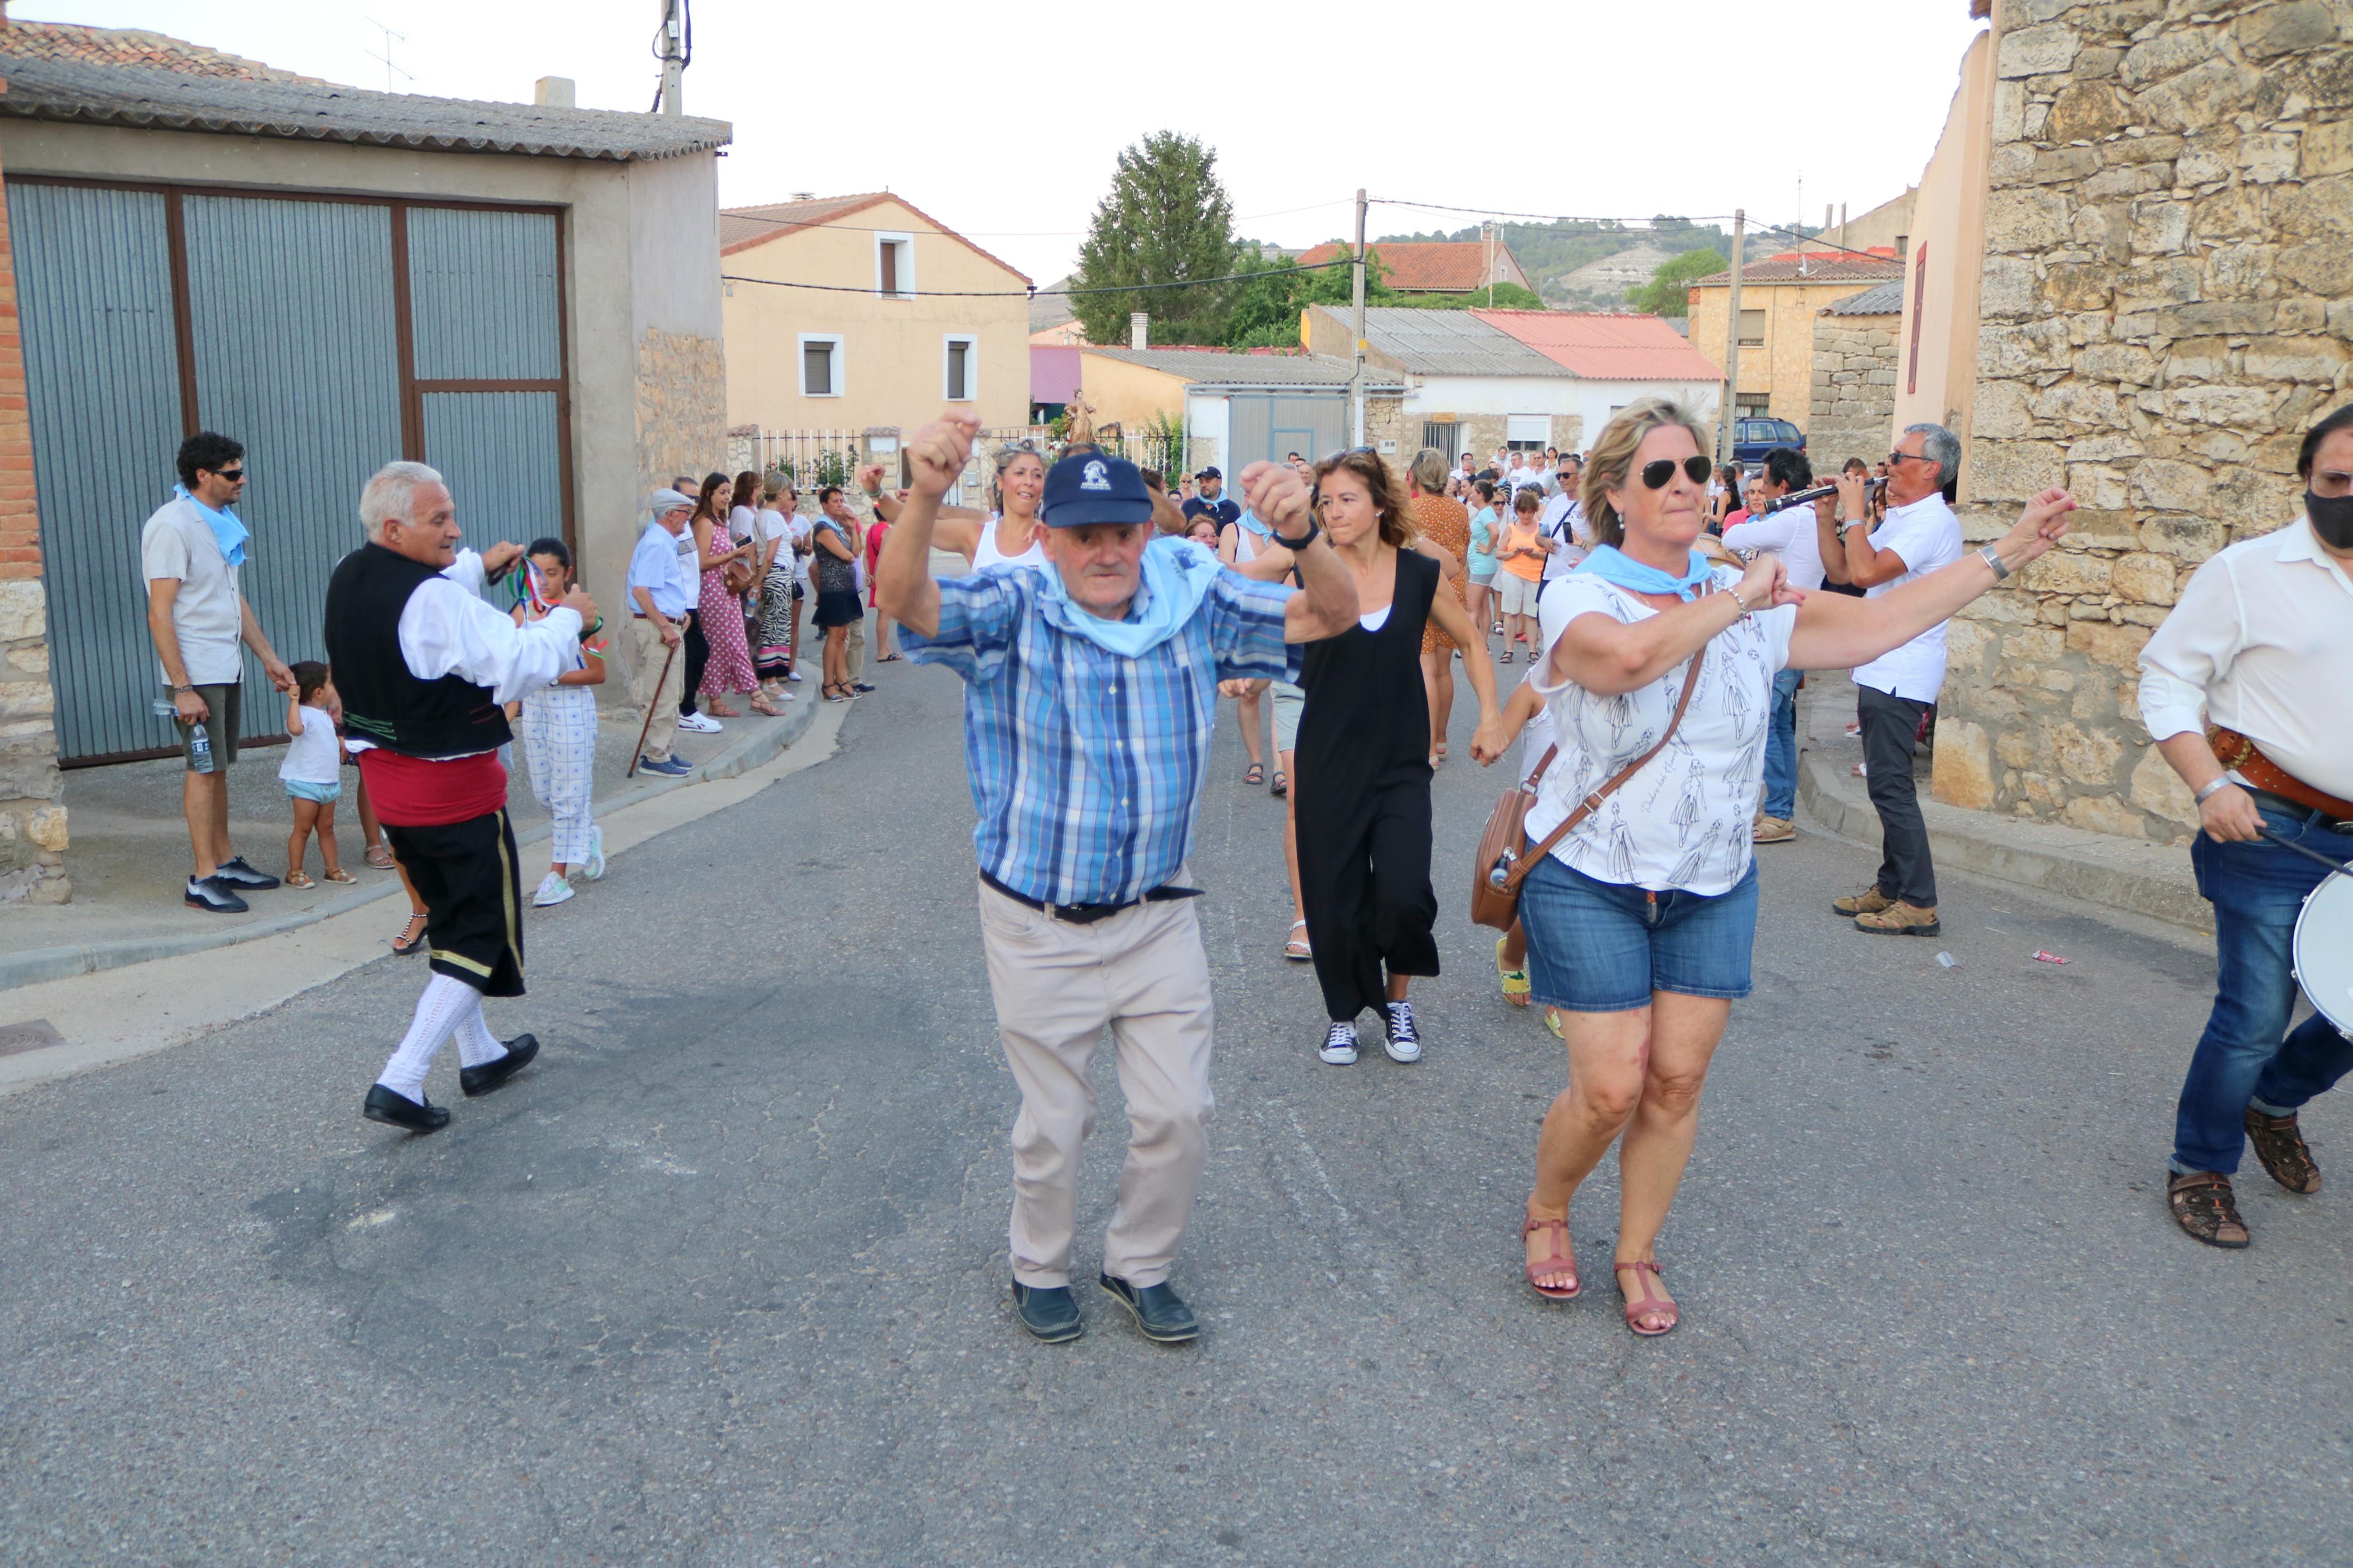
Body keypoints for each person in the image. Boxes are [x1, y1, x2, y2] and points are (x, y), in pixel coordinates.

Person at [1505, 397, 2072, 1334]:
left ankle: (1635, 1249)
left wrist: (2004, 551)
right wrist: (1733, 595)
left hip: (1712, 879)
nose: (1684, 484)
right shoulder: (1580, 590)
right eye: (1659, 473)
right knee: (1609, 1085)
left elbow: (1872, 625)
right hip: (1593, 872)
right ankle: (1548, 1206)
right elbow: (1625, 661)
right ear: (1614, 493)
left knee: (1676, 1079)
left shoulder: (1742, 592)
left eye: (1694, 468)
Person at [881, 412, 1357, 1346]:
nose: (1104, 550)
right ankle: (1038, 1265)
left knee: (1180, 1110)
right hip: (1036, 918)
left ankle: (1138, 1263)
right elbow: (910, 605)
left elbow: (1330, 614)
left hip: (1155, 914)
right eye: (1082, 533)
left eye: (1120, 529)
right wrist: (926, 492)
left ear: (1148, 529)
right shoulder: (1015, 604)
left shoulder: (1194, 601)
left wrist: (1305, 535)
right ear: (1049, 537)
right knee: (1055, 1119)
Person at [2138, 403, 2353, 1249]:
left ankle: (2273, 1102)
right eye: (2335, 480)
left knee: (2348, 1010)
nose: (2347, 495)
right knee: (2256, 1010)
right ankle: (2199, 1164)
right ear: (2305, 480)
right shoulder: (2245, 570)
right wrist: (2206, 783)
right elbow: (2164, 680)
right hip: (2260, 825)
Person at [327, 461, 595, 1135]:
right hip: (453, 793)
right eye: (438, 520)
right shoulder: (431, 600)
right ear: (395, 528)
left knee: (450, 923)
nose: (455, 529)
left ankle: (481, 1055)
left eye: (451, 514)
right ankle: (402, 1077)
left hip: (393, 794)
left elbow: (427, 602)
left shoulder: (351, 573)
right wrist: (567, 620)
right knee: (479, 934)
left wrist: (481, 563)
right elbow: (514, 660)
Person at [1293, 449, 1505, 1066]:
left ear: (1380, 504)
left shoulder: (1416, 574)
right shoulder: (1308, 570)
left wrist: (1490, 713)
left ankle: (1398, 1001)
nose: (1333, 510)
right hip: (1328, 759)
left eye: (1346, 499)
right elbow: (1246, 603)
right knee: (1334, 895)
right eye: (1325, 500)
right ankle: (1341, 1012)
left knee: (1404, 891)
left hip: (1400, 761)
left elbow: (1469, 638)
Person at [1818, 424, 1967, 936]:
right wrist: (1827, 516)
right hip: (1881, 663)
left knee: (1891, 787)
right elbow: (1842, 571)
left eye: (1897, 458)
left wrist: (1856, 511)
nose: (1887, 466)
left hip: (1902, 671)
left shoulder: (1931, 523)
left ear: (1930, 469)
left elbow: (1865, 574)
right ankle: (1891, 884)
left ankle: (1920, 901)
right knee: (1885, 784)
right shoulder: (1905, 518)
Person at [142, 431, 297, 913]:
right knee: (203, 771)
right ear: (203, 476)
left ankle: (225, 860)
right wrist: (182, 688)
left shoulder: (220, 522)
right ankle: (203, 877)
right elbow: (159, 613)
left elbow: (232, 600)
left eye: (240, 470)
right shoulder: (172, 526)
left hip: (225, 666)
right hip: (196, 673)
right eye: (232, 473)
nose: (242, 480)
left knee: (220, 768)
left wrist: (268, 657)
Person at [1722, 446, 1830, 845]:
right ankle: (1780, 807)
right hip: (1793, 630)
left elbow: (1731, 535)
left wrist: (1762, 513)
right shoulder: (1806, 518)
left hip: (1784, 630)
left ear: (1782, 486)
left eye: (1764, 484)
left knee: (1764, 718)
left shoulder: (1789, 520)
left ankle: (1780, 812)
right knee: (1779, 722)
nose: (1759, 491)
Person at [512, 537, 608, 906]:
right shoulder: (521, 612)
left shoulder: (581, 614)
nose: (544, 581)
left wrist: (549, 675)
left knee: (569, 794)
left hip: (571, 708)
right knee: (544, 793)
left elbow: (597, 673)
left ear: (567, 573)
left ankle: (558, 875)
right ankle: (585, 834)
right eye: (537, 574)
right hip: (534, 707)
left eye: (551, 573)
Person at [1406, 448, 1473, 769]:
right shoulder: (1460, 509)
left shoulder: (1411, 508)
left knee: (1424, 668)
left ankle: (1428, 746)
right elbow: (1463, 553)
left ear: (1417, 474)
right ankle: (1442, 739)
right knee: (1445, 669)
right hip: (1454, 587)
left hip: (1422, 588)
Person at [627, 489, 695, 778]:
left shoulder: (663, 542)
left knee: (672, 692)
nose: (687, 519)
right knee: (661, 694)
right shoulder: (656, 543)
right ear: (671, 514)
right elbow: (641, 591)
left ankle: (664, 748)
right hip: (659, 628)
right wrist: (666, 626)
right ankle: (655, 756)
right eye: (685, 513)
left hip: (668, 625)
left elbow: (661, 588)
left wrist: (679, 614)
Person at [694, 472, 769, 719]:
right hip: (711, 590)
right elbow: (702, 561)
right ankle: (724, 697)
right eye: (722, 492)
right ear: (709, 494)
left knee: (736, 640)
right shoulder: (705, 522)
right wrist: (731, 556)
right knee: (719, 644)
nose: (727, 497)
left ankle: (750, 694)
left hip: (725, 589)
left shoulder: (719, 521)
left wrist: (734, 551)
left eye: (728, 492)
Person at [278, 660, 353, 888]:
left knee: (327, 828)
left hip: (328, 783)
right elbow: (295, 729)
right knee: (303, 829)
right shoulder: (302, 714)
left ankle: (333, 869)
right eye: (330, 683)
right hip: (306, 783)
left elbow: (324, 736)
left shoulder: (322, 715)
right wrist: (292, 701)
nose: (334, 687)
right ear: (319, 692)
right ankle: (295, 872)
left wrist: (340, 740)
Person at [810, 486, 863, 702]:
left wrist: (852, 528)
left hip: (846, 588)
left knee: (842, 636)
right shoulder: (823, 527)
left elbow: (857, 552)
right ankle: (828, 683)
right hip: (833, 589)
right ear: (824, 504)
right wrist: (850, 549)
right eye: (835, 501)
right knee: (834, 637)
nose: (841, 505)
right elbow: (848, 556)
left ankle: (843, 681)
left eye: (842, 501)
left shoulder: (838, 528)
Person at [750, 474, 801, 699]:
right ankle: (771, 682)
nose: (790, 494)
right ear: (780, 493)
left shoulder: (759, 515)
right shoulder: (773, 518)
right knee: (775, 629)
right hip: (778, 575)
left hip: (771, 574)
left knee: (772, 626)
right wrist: (758, 582)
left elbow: (756, 551)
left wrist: (757, 579)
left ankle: (768, 679)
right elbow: (770, 555)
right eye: (788, 490)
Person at [1494, 485, 1549, 663]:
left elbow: (1550, 553)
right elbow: (1499, 553)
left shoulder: (1541, 528)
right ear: (1517, 511)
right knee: (1510, 613)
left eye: (1530, 512)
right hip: (1513, 572)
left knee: (1531, 615)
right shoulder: (1511, 528)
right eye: (1523, 512)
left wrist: (1536, 554)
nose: (1526, 516)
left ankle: (1532, 651)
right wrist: (1513, 553)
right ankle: (1508, 650)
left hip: (1534, 575)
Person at [1538, 453, 1592, 585]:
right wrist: (1545, 541)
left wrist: (1586, 551)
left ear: (1581, 477)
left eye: (1566, 475)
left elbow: (1607, 548)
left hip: (1578, 578)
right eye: (1558, 476)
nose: (1561, 480)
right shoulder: (1555, 502)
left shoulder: (1593, 505)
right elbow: (1538, 536)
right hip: (1551, 576)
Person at [1465, 478, 1500, 659]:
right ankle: (1482, 643)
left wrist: (1487, 549)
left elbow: (1495, 532)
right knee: (1483, 605)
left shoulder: (1486, 513)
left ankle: (1472, 646)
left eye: (1473, 491)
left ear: (1480, 495)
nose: (1470, 494)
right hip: (1483, 565)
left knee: (1472, 607)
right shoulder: (1485, 512)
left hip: (1482, 565)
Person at [1182, 466, 1242, 533]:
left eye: (1208, 481)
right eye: (1201, 482)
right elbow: (1180, 534)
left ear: (1219, 482)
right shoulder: (1188, 506)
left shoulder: (1232, 509)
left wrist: (1218, 540)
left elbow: (1237, 537)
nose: (1204, 485)